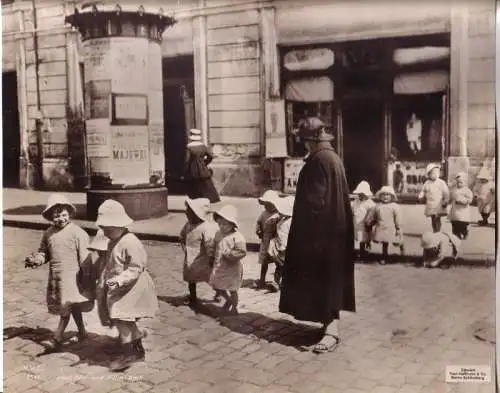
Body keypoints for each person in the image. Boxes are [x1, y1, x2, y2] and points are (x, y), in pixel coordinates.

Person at [278, 116, 355, 354]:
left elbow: (314, 204)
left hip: (320, 234)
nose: (304, 145)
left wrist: (305, 238)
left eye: (304, 141)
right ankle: (327, 323)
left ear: (310, 140)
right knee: (329, 278)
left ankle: (331, 331)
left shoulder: (318, 161)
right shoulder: (332, 158)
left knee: (324, 277)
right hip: (334, 230)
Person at [95, 199, 159, 372]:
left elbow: (136, 267)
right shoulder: (112, 241)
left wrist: (120, 279)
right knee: (123, 319)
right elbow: (111, 263)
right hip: (119, 288)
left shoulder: (130, 242)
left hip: (132, 287)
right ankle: (137, 349)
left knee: (121, 319)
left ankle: (129, 353)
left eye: (108, 230)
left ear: (120, 225)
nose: (105, 233)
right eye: (103, 230)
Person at [25, 194, 93, 352]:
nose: (61, 218)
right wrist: (37, 260)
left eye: (64, 215)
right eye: (56, 216)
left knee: (65, 307)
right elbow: (44, 252)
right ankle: (82, 331)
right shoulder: (48, 233)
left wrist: (87, 276)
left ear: (70, 214)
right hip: (57, 277)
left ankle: (57, 338)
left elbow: (85, 258)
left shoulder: (78, 233)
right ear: (49, 217)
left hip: (73, 277)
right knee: (71, 305)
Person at [209, 205, 247, 315]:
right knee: (217, 286)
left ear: (232, 224)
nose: (222, 226)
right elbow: (214, 246)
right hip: (219, 266)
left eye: (225, 224)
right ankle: (228, 300)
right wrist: (211, 257)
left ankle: (234, 306)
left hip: (232, 268)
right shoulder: (218, 234)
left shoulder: (237, 237)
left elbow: (242, 251)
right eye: (220, 223)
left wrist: (229, 255)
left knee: (232, 289)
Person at [179, 198, 217, 308]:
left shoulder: (205, 227)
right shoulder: (188, 225)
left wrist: (211, 257)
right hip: (190, 258)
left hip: (202, 258)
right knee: (191, 279)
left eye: (189, 211)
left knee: (209, 277)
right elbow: (181, 236)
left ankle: (219, 292)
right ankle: (193, 297)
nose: (186, 213)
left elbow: (209, 244)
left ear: (196, 214)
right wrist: (184, 247)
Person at [365, 186, 404, 265]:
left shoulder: (394, 206)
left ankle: (402, 250)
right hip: (381, 227)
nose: (385, 197)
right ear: (380, 196)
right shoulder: (378, 206)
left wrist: (398, 227)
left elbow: (398, 218)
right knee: (384, 243)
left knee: (396, 241)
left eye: (388, 195)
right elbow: (373, 216)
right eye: (383, 195)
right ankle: (384, 257)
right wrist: (369, 223)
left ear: (391, 196)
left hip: (391, 227)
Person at [183, 128, 221, 203]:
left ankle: (196, 200)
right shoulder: (203, 146)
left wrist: (185, 171)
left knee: (194, 186)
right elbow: (210, 156)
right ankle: (211, 200)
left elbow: (187, 161)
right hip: (203, 170)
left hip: (193, 170)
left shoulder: (189, 147)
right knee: (206, 185)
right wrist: (204, 163)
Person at [254, 190, 280, 290]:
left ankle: (276, 281)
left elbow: (280, 227)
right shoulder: (264, 213)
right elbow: (258, 222)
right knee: (264, 261)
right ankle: (262, 279)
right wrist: (258, 230)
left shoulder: (278, 214)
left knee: (278, 260)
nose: (266, 206)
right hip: (265, 239)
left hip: (274, 240)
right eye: (265, 204)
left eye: (268, 204)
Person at [267, 196, 294, 288]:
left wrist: (283, 247)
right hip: (281, 246)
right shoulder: (284, 219)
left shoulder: (288, 222)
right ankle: (277, 282)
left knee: (282, 265)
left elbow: (285, 236)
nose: (278, 212)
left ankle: (280, 281)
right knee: (280, 265)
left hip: (284, 247)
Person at [418, 164, 450, 232]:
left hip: (439, 203)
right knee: (433, 218)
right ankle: (435, 229)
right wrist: (421, 196)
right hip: (431, 204)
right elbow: (423, 190)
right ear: (429, 174)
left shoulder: (441, 182)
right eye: (433, 173)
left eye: (437, 172)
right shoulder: (427, 183)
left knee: (437, 217)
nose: (435, 174)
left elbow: (446, 192)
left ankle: (437, 230)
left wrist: (446, 201)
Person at [351, 181, 376, 257]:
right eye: (359, 194)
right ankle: (360, 251)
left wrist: (370, 221)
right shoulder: (355, 202)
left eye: (363, 194)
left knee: (366, 237)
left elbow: (372, 213)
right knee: (359, 238)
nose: (361, 196)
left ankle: (365, 248)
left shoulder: (370, 203)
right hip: (357, 223)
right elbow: (352, 210)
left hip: (366, 223)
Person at [448, 172, 474, 239]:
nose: (459, 184)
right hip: (455, 210)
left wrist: (463, 200)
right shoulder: (454, 190)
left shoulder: (467, 190)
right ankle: (456, 234)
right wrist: (448, 201)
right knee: (454, 223)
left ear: (465, 183)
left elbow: (470, 199)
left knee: (462, 224)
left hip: (463, 211)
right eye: (458, 182)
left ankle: (464, 232)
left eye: (461, 182)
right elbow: (451, 197)